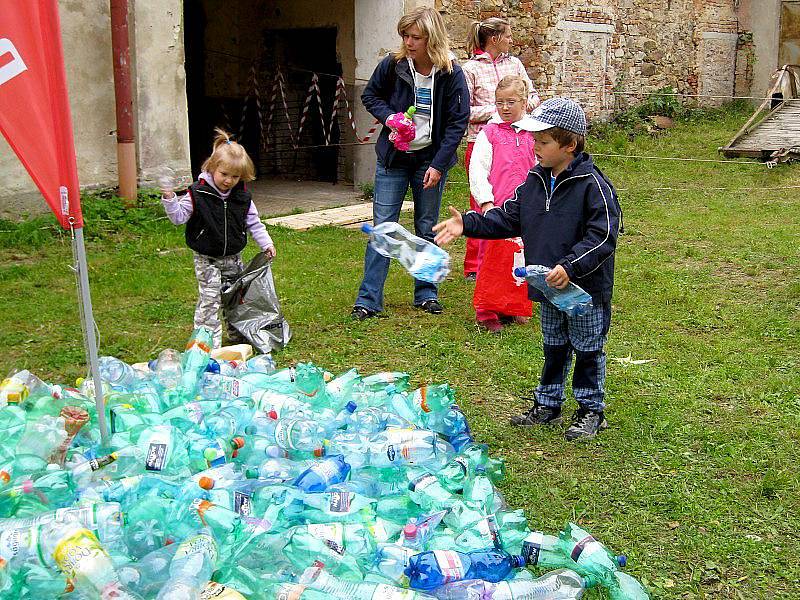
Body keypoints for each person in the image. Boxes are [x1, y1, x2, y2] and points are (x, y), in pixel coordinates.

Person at [433, 98, 622, 441]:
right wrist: (469, 225)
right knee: (554, 344)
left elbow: (604, 235)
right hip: (547, 287)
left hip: (584, 291)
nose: (535, 147)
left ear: (570, 145)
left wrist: (570, 266)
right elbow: (508, 217)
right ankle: (548, 403)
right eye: (534, 140)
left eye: (543, 142)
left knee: (588, 348)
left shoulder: (593, 186)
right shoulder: (534, 180)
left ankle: (590, 410)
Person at [351, 7, 469, 320]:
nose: (409, 41)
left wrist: (439, 165)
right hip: (393, 157)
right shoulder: (393, 65)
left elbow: (458, 122)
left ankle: (426, 294)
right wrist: (389, 116)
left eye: (416, 36)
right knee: (384, 228)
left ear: (432, 38)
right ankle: (368, 300)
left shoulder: (451, 73)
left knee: (426, 226)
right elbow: (371, 96)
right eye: (406, 35)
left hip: (429, 159)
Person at [160, 128, 276, 349]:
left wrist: (266, 243)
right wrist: (169, 199)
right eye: (224, 174)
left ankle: (238, 337)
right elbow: (178, 217)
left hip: (234, 257)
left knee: (234, 297)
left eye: (235, 177)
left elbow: (254, 223)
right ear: (212, 168)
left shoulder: (242, 197)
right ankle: (206, 343)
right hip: (206, 258)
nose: (228, 181)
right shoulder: (197, 193)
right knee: (210, 299)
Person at [462, 17, 540, 280]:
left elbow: (534, 95)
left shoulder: (514, 64)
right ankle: (476, 265)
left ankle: (520, 268)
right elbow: (464, 111)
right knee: (484, 205)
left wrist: (523, 106)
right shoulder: (470, 68)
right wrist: (496, 111)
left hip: (519, 137)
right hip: (484, 139)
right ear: (494, 38)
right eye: (507, 36)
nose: (511, 40)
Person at [469, 75, 537, 333]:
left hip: (526, 208)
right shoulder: (490, 133)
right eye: (500, 103)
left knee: (520, 256)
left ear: (525, 101)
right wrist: (486, 202)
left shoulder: (534, 132)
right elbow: (478, 169)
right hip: (496, 208)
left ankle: (513, 305)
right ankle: (487, 309)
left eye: (511, 102)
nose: (505, 108)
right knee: (492, 257)